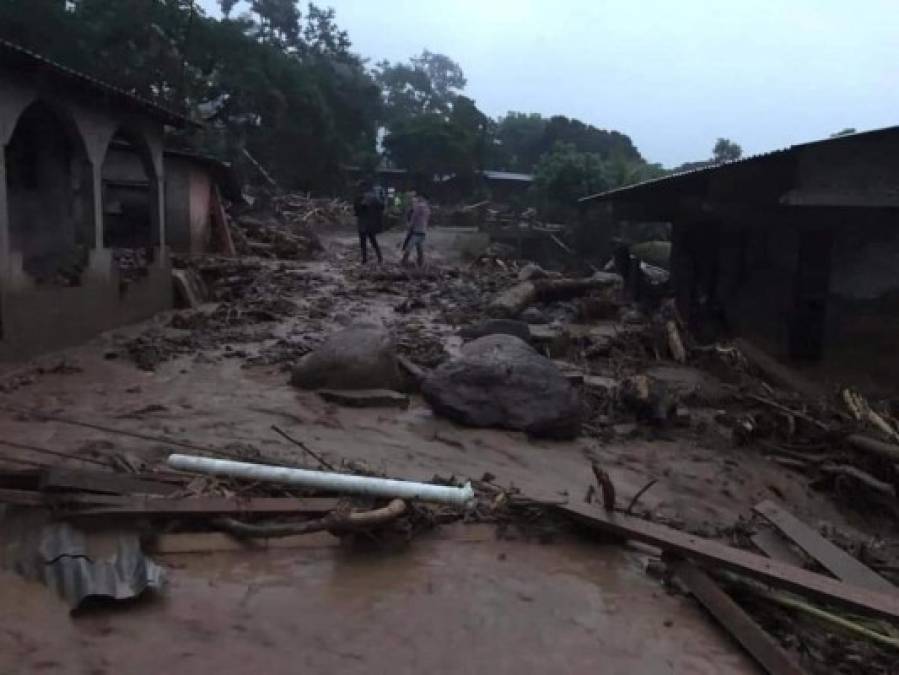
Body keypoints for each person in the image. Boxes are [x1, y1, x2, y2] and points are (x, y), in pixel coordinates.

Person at [352, 181, 384, 264]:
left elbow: (356, 211)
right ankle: (379, 257)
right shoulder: (374, 197)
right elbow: (382, 206)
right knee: (373, 241)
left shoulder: (359, 197)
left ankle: (364, 259)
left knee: (363, 243)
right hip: (371, 224)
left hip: (362, 223)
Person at [401, 191, 430, 267]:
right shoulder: (427, 208)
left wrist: (409, 227)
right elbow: (427, 218)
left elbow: (413, 219)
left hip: (416, 230)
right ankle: (420, 262)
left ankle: (404, 261)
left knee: (409, 246)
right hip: (423, 230)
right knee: (419, 247)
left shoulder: (418, 207)